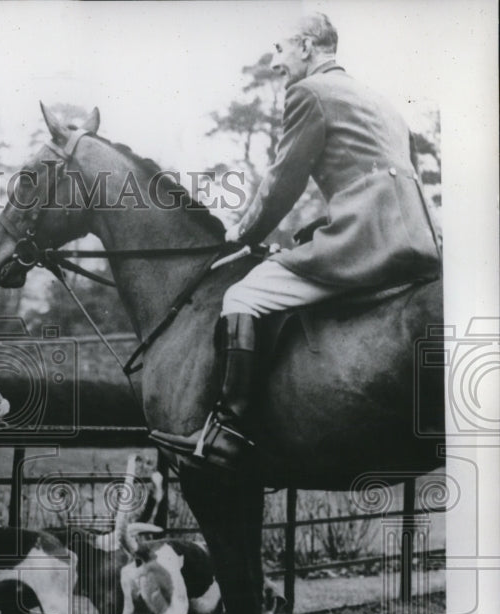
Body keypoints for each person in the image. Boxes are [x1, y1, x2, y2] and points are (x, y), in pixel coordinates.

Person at [181, 12, 441, 470]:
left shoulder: (309, 93)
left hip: (365, 243)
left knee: (243, 294)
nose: (276, 61)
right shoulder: (383, 102)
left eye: (280, 50)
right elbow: (377, 180)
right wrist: (317, 226)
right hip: (420, 242)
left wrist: (241, 234)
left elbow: (284, 181)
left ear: (305, 47)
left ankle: (229, 427)